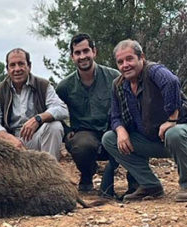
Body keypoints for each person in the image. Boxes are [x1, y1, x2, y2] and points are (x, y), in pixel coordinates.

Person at [102, 39, 187, 203]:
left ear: (141, 57)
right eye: (120, 62)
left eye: (129, 59)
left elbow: (172, 82)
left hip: (184, 135)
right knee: (109, 138)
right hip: (152, 139)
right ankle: (150, 185)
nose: (125, 65)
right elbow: (115, 116)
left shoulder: (154, 71)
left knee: (175, 133)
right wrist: (121, 131)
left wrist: (172, 119)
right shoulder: (118, 85)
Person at [55, 33, 133, 197]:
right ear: (72, 57)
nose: (82, 56)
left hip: (113, 130)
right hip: (85, 135)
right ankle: (87, 174)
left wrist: (123, 130)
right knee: (81, 145)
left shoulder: (114, 77)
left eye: (86, 51)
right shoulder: (64, 86)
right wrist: (66, 131)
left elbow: (130, 105)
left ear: (94, 52)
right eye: (77, 53)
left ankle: (135, 178)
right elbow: (53, 110)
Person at [0, 48, 68, 160]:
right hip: (10, 142)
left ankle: (49, 172)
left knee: (55, 127)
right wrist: (10, 140)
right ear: (7, 69)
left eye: (21, 64)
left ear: (29, 66)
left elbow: (62, 109)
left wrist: (38, 119)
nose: (17, 69)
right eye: (12, 65)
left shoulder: (43, 85)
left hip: (36, 137)